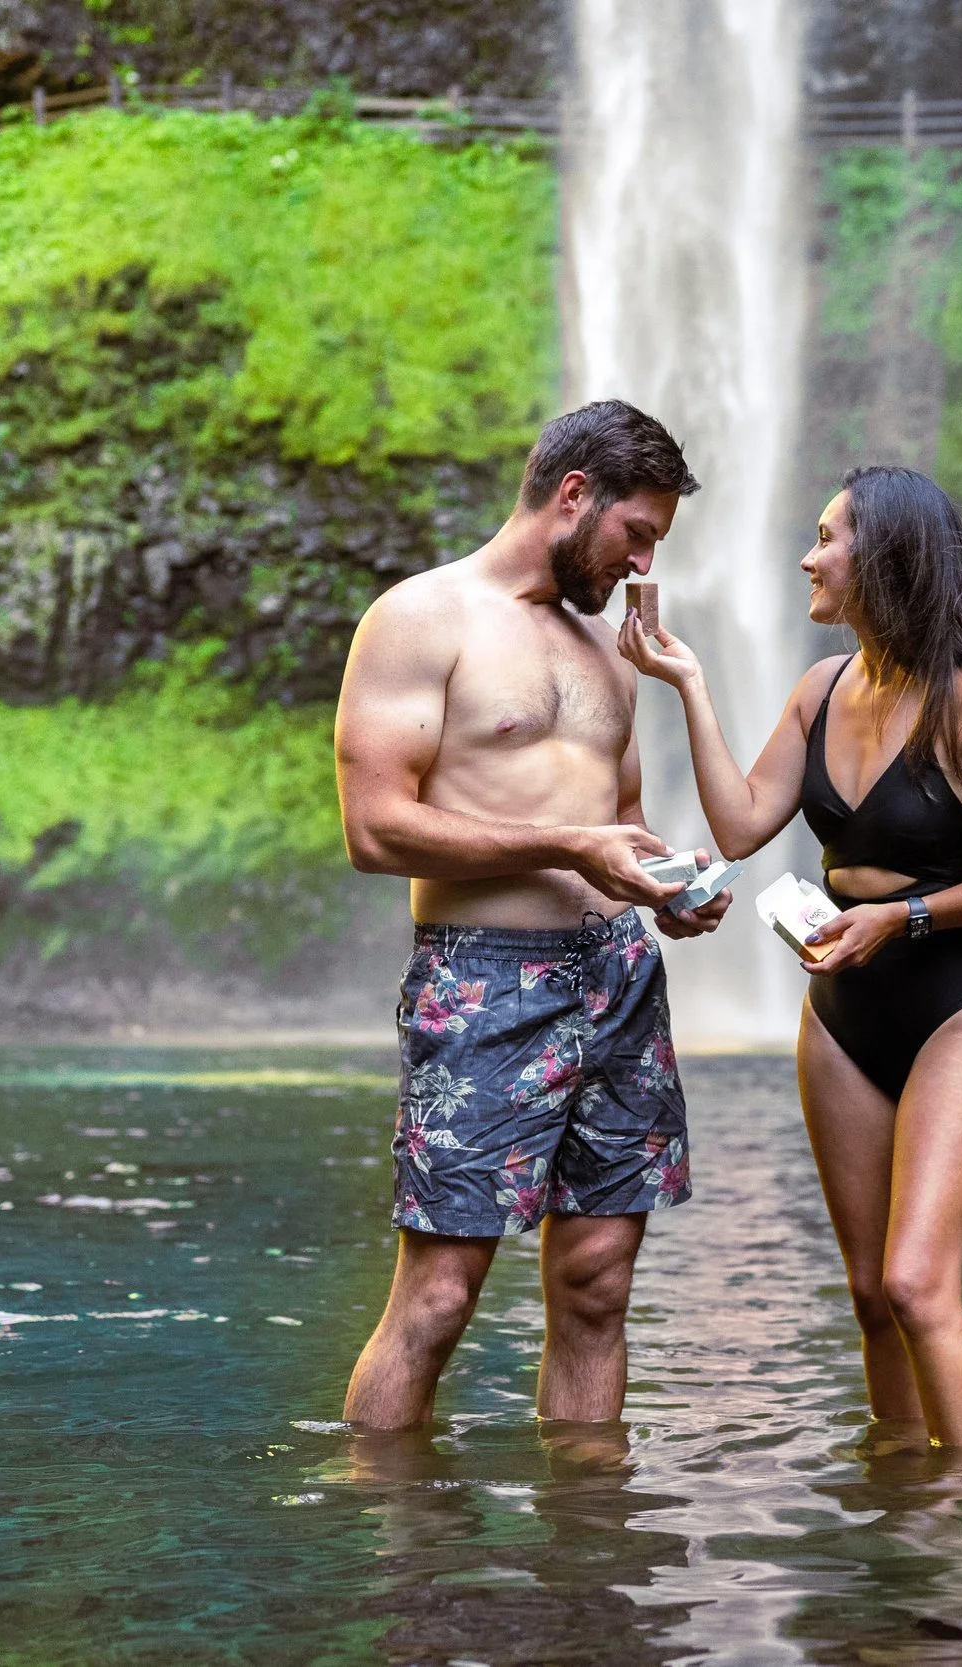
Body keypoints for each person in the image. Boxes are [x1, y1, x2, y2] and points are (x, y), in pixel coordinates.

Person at [620, 465, 962, 1452]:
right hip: (843, 1009)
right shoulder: (820, 689)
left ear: (885, 558)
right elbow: (742, 824)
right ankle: (901, 1512)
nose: (806, 555)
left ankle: (960, 1550)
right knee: (872, 1293)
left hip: (958, 1000)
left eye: (827, 537)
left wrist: (904, 917)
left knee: (921, 1284)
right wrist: (688, 682)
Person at [333, 399, 733, 1432]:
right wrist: (569, 845)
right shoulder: (421, 617)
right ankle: (397, 1552)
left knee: (599, 1283)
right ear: (571, 495)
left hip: (618, 976)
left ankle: (591, 1558)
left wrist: (665, 884)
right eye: (634, 533)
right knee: (439, 1295)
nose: (643, 565)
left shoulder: (607, 651)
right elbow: (375, 829)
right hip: (485, 976)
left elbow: (621, 820)